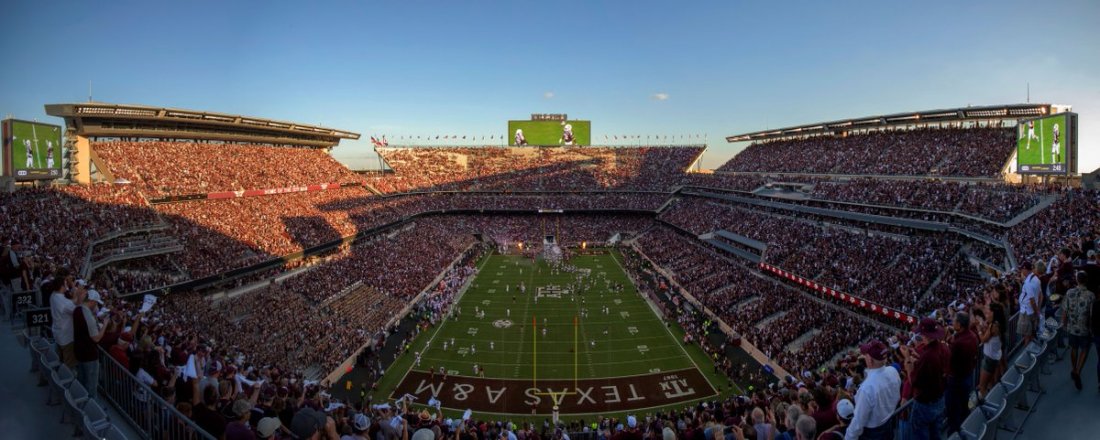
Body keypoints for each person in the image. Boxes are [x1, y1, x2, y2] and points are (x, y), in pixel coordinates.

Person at [845, 340, 900, 440]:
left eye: (865, 355)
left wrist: (848, 438)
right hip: (889, 422)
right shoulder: (893, 371)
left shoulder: (867, 388)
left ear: (870, 360)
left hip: (873, 432)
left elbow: (858, 421)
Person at [905, 318, 950, 440]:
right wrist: (918, 361)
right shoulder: (943, 348)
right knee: (936, 434)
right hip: (939, 399)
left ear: (925, 334)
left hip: (925, 404)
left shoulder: (928, 357)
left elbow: (914, 382)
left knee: (921, 436)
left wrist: (908, 363)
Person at [945, 312, 978, 435]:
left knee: (952, 411)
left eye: (954, 321)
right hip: (967, 376)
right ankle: (965, 430)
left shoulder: (958, 343)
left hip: (955, 380)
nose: (952, 323)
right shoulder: (973, 336)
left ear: (959, 324)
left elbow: (948, 361)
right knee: (964, 407)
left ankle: (954, 434)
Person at [73, 289, 108, 400]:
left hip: (79, 351)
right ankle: (92, 414)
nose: (96, 305)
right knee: (91, 387)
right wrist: (105, 325)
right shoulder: (87, 314)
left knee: (82, 382)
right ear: (92, 301)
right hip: (89, 355)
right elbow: (96, 338)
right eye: (96, 302)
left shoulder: (77, 309)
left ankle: (81, 406)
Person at [1061, 272, 1094, 390]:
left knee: (1073, 348)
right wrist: (1091, 329)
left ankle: (1073, 368)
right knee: (1084, 350)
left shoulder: (1069, 293)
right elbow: (1091, 315)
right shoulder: (1091, 295)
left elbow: (1065, 310)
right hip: (1084, 328)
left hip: (1071, 327)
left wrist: (1064, 324)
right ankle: (1078, 371)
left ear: (1077, 280)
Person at [49, 275, 84, 368]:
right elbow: (77, 310)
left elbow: (70, 303)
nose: (67, 286)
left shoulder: (53, 295)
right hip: (67, 337)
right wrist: (80, 296)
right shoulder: (64, 303)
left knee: (59, 360)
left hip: (58, 333)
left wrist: (76, 295)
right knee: (69, 365)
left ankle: (56, 377)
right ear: (61, 286)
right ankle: (66, 381)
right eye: (65, 284)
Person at [1017, 261, 1042, 348]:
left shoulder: (1028, 283)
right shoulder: (1036, 279)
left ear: (1025, 269)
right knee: (1030, 334)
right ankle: (1035, 349)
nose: (1021, 271)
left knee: (1027, 336)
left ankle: (1026, 355)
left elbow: (1032, 300)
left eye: (1022, 269)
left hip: (1026, 311)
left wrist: (1037, 312)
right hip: (1031, 311)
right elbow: (1040, 296)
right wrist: (1037, 310)